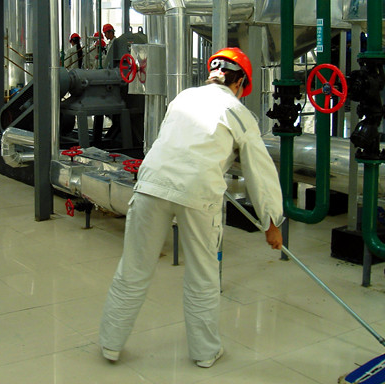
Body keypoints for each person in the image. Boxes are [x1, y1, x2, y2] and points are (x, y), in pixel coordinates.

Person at [99, 47, 284, 368]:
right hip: (199, 192)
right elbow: (261, 171)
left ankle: (110, 344)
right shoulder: (239, 112)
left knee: (133, 269)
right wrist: (272, 222)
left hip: (152, 183)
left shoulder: (183, 97)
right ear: (240, 82)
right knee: (202, 276)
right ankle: (205, 352)